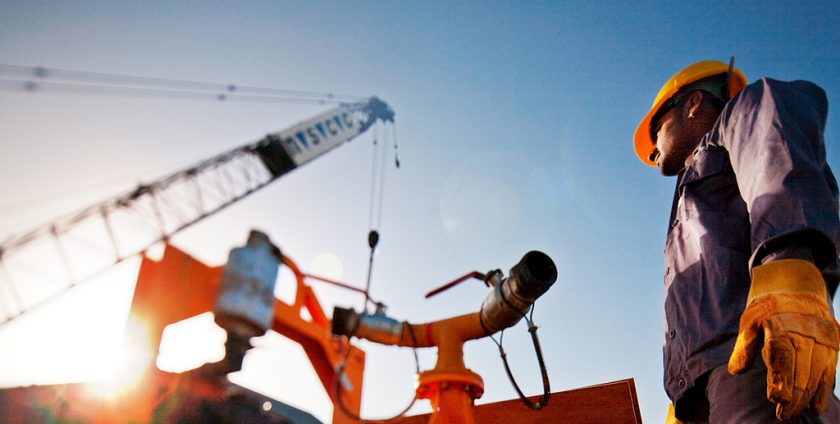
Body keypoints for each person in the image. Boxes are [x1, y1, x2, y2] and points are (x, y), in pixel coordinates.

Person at [633, 59, 840, 423]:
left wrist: (788, 269)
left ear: (693, 103)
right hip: (708, 391)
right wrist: (682, 398)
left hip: (753, 361)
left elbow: (775, 160)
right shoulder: (689, 193)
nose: (653, 150)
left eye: (657, 128)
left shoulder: (744, 114)